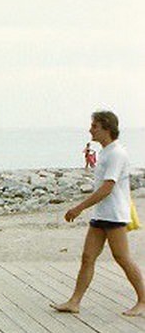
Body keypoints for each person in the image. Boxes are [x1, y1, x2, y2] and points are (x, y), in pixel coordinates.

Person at [52, 110, 145, 317]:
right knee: (87, 257)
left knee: (122, 258)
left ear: (107, 129)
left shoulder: (117, 153)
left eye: (94, 126)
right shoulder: (105, 152)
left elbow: (107, 188)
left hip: (114, 215)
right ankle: (74, 301)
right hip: (102, 214)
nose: (90, 130)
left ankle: (143, 301)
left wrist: (79, 208)